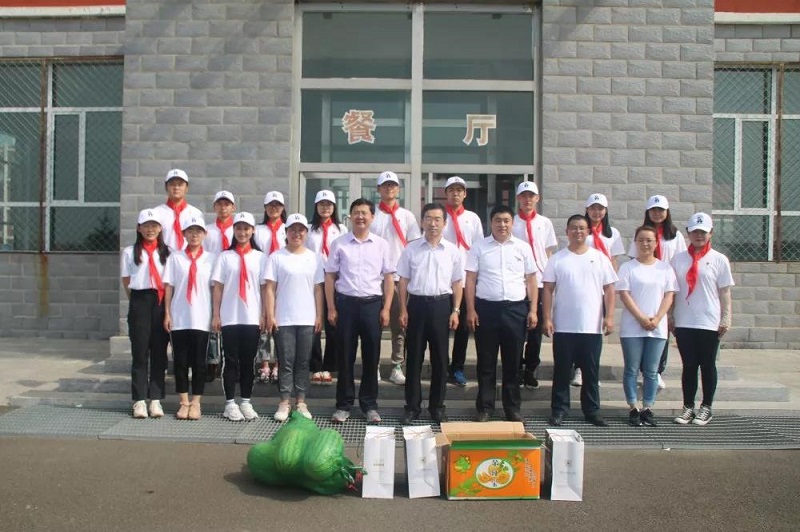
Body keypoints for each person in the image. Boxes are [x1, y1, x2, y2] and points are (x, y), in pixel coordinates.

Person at [542, 214, 618, 427]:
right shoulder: (557, 259)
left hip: (591, 327)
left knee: (591, 372)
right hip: (563, 326)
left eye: (582, 228)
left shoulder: (599, 258)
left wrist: (609, 316)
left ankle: (592, 410)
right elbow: (547, 289)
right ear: (567, 232)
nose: (578, 231)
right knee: (562, 371)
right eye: (574, 228)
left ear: (588, 231)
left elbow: (609, 289)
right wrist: (547, 318)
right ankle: (559, 409)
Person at [465, 205, 538, 422]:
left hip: (515, 310)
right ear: (491, 223)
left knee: (513, 362)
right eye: (498, 220)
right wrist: (471, 309)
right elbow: (470, 280)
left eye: (506, 220)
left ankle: (512, 408)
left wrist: (533, 310)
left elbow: (531, 280)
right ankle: (485, 408)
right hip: (486, 310)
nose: (502, 225)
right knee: (486, 362)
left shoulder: (523, 248)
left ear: (512, 223)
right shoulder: (479, 247)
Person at [325, 199, 394, 424]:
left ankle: (369, 405)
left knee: (371, 357)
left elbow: (388, 278)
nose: (360, 217)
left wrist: (386, 308)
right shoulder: (339, 243)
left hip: (372, 305)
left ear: (372, 217)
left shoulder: (381, 244)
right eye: (356, 213)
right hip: (346, 305)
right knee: (345, 356)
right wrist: (331, 307)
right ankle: (343, 405)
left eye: (364, 213)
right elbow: (330, 276)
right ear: (350, 216)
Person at [397, 203, 463, 424]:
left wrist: (456, 310)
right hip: (416, 306)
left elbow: (457, 283)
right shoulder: (411, 249)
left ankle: (437, 407)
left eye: (437, 219)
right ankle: (412, 407)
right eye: (428, 218)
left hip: (441, 306)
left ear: (444, 223)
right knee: (414, 358)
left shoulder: (452, 251)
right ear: (422, 221)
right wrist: (403, 309)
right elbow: (403, 281)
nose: (433, 224)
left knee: (441, 360)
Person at [671, 213, 734, 426]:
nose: (699, 236)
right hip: (685, 320)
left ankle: (706, 407)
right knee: (689, 365)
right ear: (688, 233)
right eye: (695, 232)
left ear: (711, 233)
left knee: (707, 365)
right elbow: (672, 291)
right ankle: (688, 406)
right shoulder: (678, 259)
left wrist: (726, 317)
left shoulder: (719, 259)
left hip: (709, 321)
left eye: (703, 232)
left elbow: (724, 291)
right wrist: (670, 316)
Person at [263, 213, 325, 422]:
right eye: (292, 230)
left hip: (307, 318)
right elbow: (270, 289)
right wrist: (270, 314)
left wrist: (319, 314)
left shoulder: (314, 258)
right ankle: (284, 402)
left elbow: (318, 289)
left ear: (306, 233)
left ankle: (301, 402)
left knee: (303, 362)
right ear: (286, 232)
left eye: (301, 230)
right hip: (284, 318)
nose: (296, 234)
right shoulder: (276, 257)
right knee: (286, 362)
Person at [617, 226, 677, 427]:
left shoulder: (665, 268)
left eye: (649, 240)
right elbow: (625, 295)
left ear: (656, 243)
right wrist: (642, 318)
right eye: (641, 240)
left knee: (651, 371)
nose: (645, 244)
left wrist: (657, 318)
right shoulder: (628, 268)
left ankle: (648, 407)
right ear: (635, 242)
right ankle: (633, 407)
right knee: (632, 369)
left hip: (657, 328)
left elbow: (669, 295)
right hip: (632, 327)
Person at [628, 194, 687, 391]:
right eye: (653, 210)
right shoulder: (641, 233)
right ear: (648, 212)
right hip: (645, 285)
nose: (657, 213)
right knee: (642, 326)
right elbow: (633, 259)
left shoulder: (675, 235)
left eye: (661, 210)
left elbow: (681, 260)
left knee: (662, 327)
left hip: (666, 284)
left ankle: (657, 370)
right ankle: (642, 370)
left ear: (667, 212)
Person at [211, 212, 266, 422]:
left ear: (253, 231)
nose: (242, 233)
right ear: (234, 231)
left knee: (248, 361)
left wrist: (264, 314)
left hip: (251, 316)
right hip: (230, 316)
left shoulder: (261, 257)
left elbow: (265, 289)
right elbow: (218, 287)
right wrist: (216, 314)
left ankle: (245, 401)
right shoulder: (225, 257)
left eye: (246, 229)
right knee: (230, 361)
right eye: (239, 229)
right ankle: (229, 403)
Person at [370, 170, 421, 385]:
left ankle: (396, 366)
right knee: (373, 325)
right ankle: (373, 366)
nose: (389, 188)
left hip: (400, 278)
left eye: (393, 185)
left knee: (399, 325)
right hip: (374, 277)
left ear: (398, 189)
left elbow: (415, 246)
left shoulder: (407, 216)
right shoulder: (372, 215)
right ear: (378, 189)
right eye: (385, 185)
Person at [163, 215, 216, 421]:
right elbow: (169, 286)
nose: (194, 235)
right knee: (181, 362)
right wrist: (167, 313)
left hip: (202, 317)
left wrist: (216, 314)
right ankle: (183, 401)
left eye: (198, 231)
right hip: (179, 317)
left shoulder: (211, 259)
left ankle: (196, 402)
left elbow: (215, 289)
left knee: (199, 362)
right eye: (190, 231)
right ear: (184, 234)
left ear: (205, 234)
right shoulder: (175, 258)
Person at [570, 193, 626, 387]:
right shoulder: (582, 231)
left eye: (600, 208)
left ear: (606, 210)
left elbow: (614, 260)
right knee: (580, 328)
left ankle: (591, 369)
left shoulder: (613, 234)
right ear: (587, 210)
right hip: (584, 287)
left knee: (596, 331)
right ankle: (579, 368)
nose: (596, 212)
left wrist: (611, 284)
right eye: (593, 208)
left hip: (603, 287)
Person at [120, 209, 171, 419]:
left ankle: (156, 399)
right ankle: (139, 400)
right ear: (138, 228)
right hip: (140, 300)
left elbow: (169, 281)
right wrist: (136, 301)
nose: (150, 229)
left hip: (161, 302)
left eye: (154, 226)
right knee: (140, 352)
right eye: (146, 225)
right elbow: (126, 280)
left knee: (159, 352)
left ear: (160, 228)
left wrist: (167, 309)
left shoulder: (168, 252)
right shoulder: (129, 252)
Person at [511, 181, 557, 389]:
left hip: (538, 281)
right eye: (524, 196)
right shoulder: (512, 222)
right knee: (517, 330)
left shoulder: (544, 223)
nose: (527, 199)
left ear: (537, 198)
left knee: (536, 331)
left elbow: (548, 252)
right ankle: (516, 368)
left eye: (531, 196)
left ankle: (530, 369)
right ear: (518, 198)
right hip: (518, 282)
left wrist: (548, 277)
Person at [441, 176, 483, 387]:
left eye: (459, 190)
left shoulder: (472, 218)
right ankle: (441, 366)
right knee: (441, 327)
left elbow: (478, 249)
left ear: (465, 194)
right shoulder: (439, 217)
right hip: (442, 280)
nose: (455, 194)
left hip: (465, 281)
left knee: (463, 329)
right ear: (445, 193)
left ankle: (457, 367)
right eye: (451, 190)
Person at [307, 190, 348, 385]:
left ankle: (330, 365)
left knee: (333, 323)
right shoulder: (308, 229)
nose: (325, 208)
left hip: (335, 279)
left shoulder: (341, 229)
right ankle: (315, 366)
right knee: (315, 323)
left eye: (329, 204)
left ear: (334, 207)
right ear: (316, 206)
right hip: (314, 280)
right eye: (322, 204)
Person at [254, 190, 287, 382]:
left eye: (278, 205)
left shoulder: (288, 229)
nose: (274, 208)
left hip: (283, 281)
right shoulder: (258, 230)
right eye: (270, 205)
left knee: (280, 323)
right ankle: (265, 363)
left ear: (283, 208)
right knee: (265, 321)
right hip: (263, 281)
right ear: (265, 208)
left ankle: (279, 364)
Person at [151, 169, 203, 252]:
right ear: (166, 187)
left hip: (188, 257)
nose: (176, 188)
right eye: (172, 184)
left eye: (180, 184)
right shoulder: (156, 212)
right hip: (163, 257)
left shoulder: (196, 213)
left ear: (187, 188)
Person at [204, 190, 236, 255]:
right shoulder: (206, 230)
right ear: (214, 207)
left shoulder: (237, 230)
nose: (223, 208)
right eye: (219, 204)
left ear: (233, 207)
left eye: (226, 204)